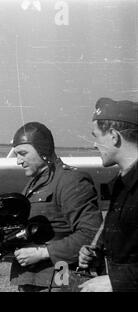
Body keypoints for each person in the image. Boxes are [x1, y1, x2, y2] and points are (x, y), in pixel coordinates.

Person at [9, 122, 103, 291]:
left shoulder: (70, 180)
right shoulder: (34, 184)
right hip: (31, 280)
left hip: (59, 276)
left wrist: (42, 253)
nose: (18, 161)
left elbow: (91, 233)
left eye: (23, 153)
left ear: (42, 150)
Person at [78, 98, 138, 292]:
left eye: (96, 136)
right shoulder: (122, 183)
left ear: (113, 136)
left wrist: (119, 281)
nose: (94, 145)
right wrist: (97, 254)